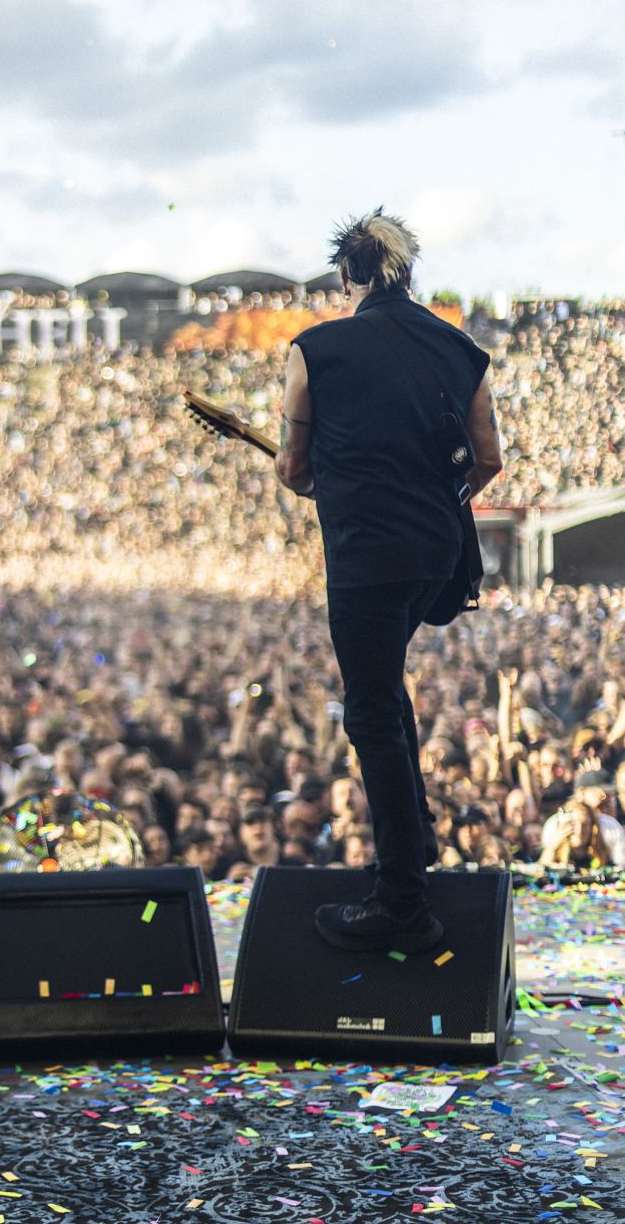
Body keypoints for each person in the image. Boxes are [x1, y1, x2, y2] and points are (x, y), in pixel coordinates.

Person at [275, 208, 503, 951]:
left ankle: (401, 895)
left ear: (348, 275)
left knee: (369, 710)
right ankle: (421, 840)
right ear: (409, 274)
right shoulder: (461, 350)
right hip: (435, 551)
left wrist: (345, 486)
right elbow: (488, 462)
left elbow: (293, 469)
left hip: (365, 554)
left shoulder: (314, 349)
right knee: (387, 688)